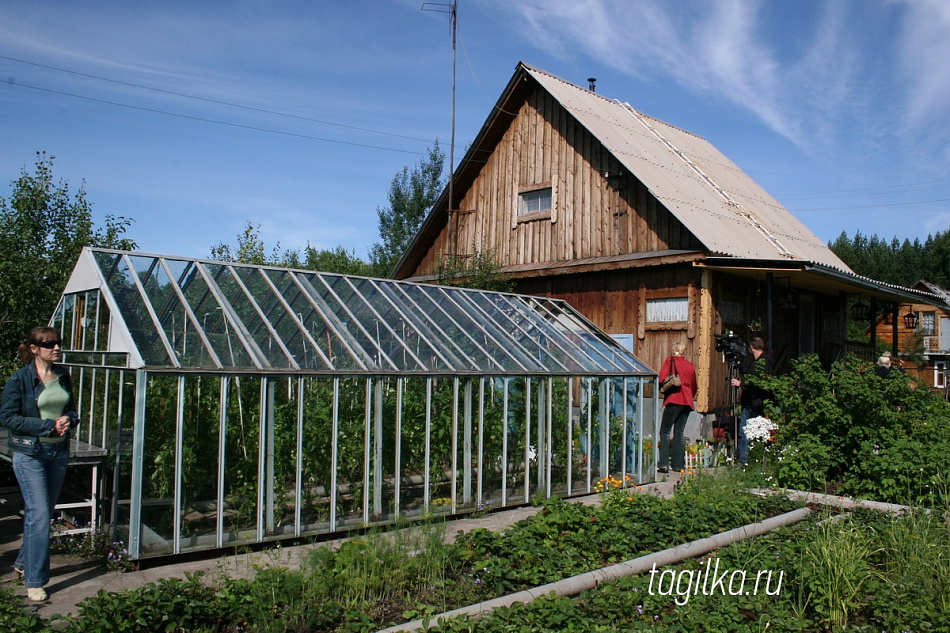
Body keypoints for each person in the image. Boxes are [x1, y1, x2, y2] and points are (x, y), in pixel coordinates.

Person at [0, 327, 79, 602]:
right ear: (35, 348)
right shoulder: (19, 380)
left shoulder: (63, 376)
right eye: (49, 344)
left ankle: (23, 562)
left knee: (41, 513)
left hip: (58, 453)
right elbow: (8, 417)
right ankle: (35, 580)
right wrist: (47, 425)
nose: (56, 348)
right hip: (29, 453)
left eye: (58, 343)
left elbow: (70, 409)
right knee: (40, 514)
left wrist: (70, 420)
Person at [730, 336, 773, 465]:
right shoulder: (765, 361)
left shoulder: (763, 363)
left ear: (752, 347)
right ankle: (755, 459)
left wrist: (741, 384)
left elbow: (757, 382)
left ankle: (744, 460)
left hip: (753, 403)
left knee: (745, 431)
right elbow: (750, 372)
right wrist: (740, 365)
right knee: (755, 431)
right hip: (758, 402)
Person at [657, 341, 697, 474]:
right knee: (679, 433)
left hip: (674, 399)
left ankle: (663, 464)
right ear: (684, 352)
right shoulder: (690, 366)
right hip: (687, 401)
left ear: (673, 350)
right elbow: (694, 386)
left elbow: (662, 378)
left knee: (664, 431)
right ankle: (678, 465)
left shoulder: (670, 361)